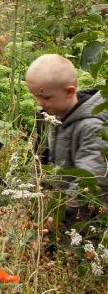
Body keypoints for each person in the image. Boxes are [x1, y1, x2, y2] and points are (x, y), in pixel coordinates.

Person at [25, 54, 108, 202]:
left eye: (46, 97)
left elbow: (91, 182)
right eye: (35, 96)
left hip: (78, 218)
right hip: (56, 209)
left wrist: (58, 216)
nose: (39, 103)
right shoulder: (53, 117)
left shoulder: (91, 127)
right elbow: (39, 167)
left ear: (69, 92)